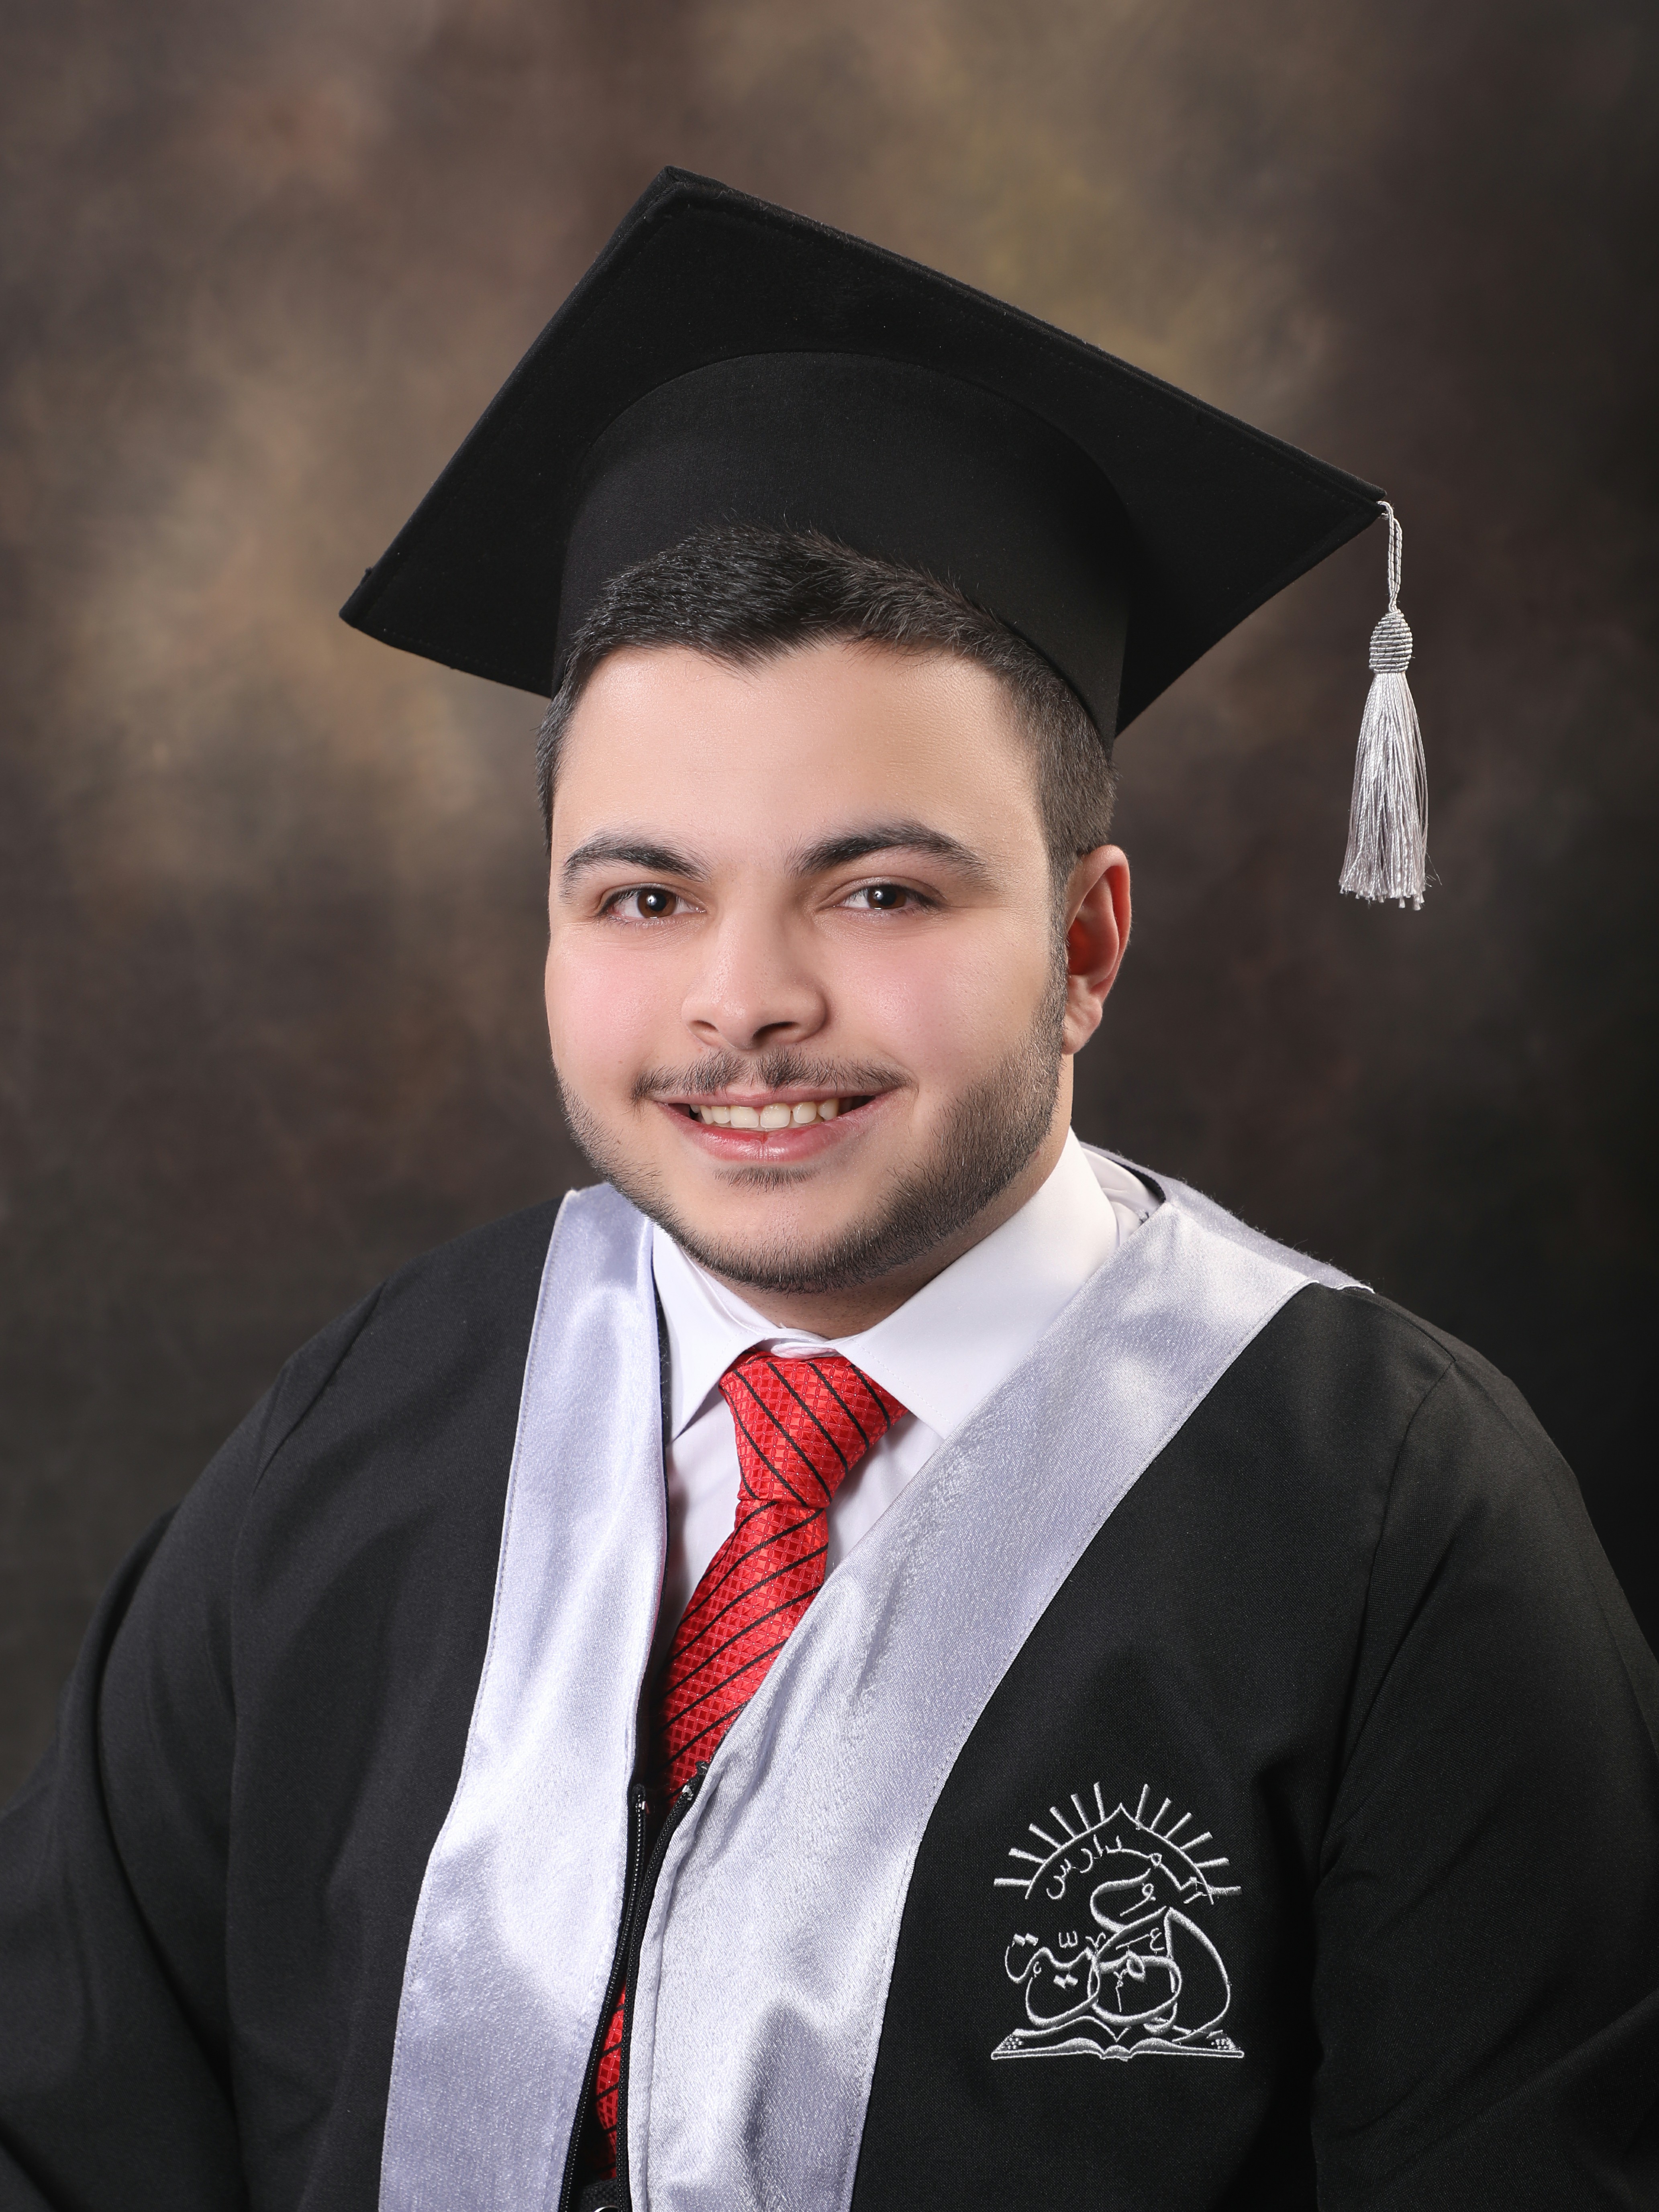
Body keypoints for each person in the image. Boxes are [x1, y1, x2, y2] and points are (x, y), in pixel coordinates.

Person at [2, 169, 1654, 2212]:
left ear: (1084, 946)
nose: (747, 1002)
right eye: (645, 896)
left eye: (877, 892)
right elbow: (66, 2115)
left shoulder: (1396, 1521)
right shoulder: (374, 1419)